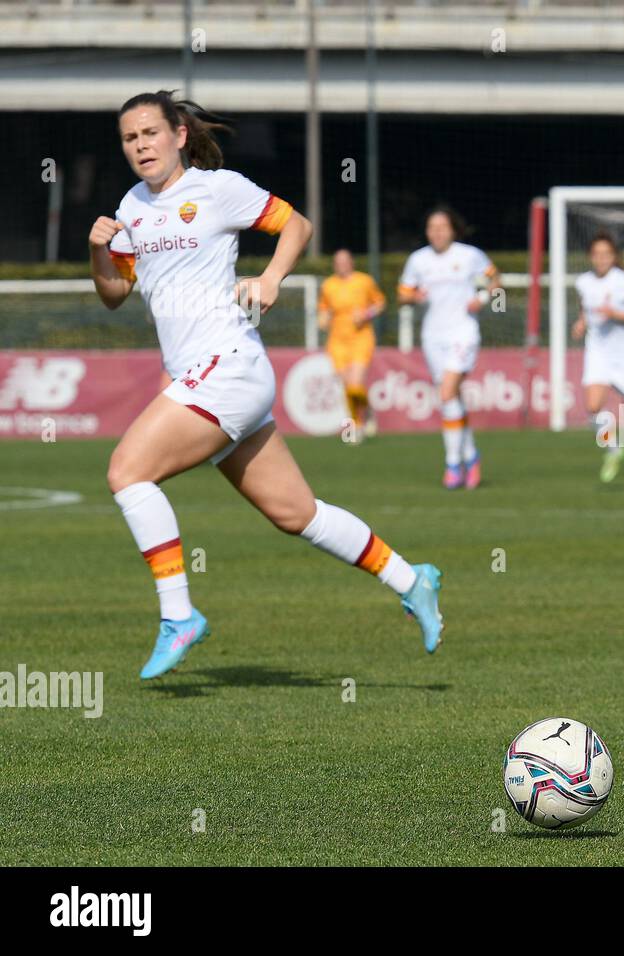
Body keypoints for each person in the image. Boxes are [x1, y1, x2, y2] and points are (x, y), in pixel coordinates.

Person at [90, 90, 444, 680]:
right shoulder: (129, 206)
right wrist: (99, 253)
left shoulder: (215, 188)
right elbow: (113, 296)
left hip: (228, 366)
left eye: (150, 132)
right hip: (211, 379)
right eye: (130, 138)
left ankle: (178, 616)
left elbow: (295, 224)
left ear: (179, 135)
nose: (141, 145)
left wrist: (273, 277)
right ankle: (412, 579)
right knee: (296, 513)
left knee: (127, 472)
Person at [397, 206, 500, 489]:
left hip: (463, 333)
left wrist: (482, 298)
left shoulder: (469, 255)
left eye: (442, 227)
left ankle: (453, 463)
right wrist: (414, 297)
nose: (437, 232)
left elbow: (495, 282)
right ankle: (471, 455)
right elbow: (402, 295)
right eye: (432, 227)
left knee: (446, 393)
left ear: (452, 229)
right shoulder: (418, 260)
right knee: (450, 399)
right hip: (433, 336)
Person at [572, 232, 624, 492]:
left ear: (614, 257)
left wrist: (616, 314)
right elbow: (585, 308)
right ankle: (613, 447)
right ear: (590, 256)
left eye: (606, 254)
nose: (601, 259)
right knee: (593, 406)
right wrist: (581, 322)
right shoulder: (583, 282)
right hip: (598, 352)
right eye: (596, 254)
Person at [319, 248, 384, 441]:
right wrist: (323, 318)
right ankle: (365, 416)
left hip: (361, 337)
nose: (341, 265)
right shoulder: (329, 285)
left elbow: (380, 303)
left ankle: (358, 425)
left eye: (345, 261)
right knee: (347, 386)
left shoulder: (364, 281)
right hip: (337, 340)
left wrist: (366, 314)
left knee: (356, 384)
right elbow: (323, 308)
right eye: (338, 261)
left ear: (351, 262)